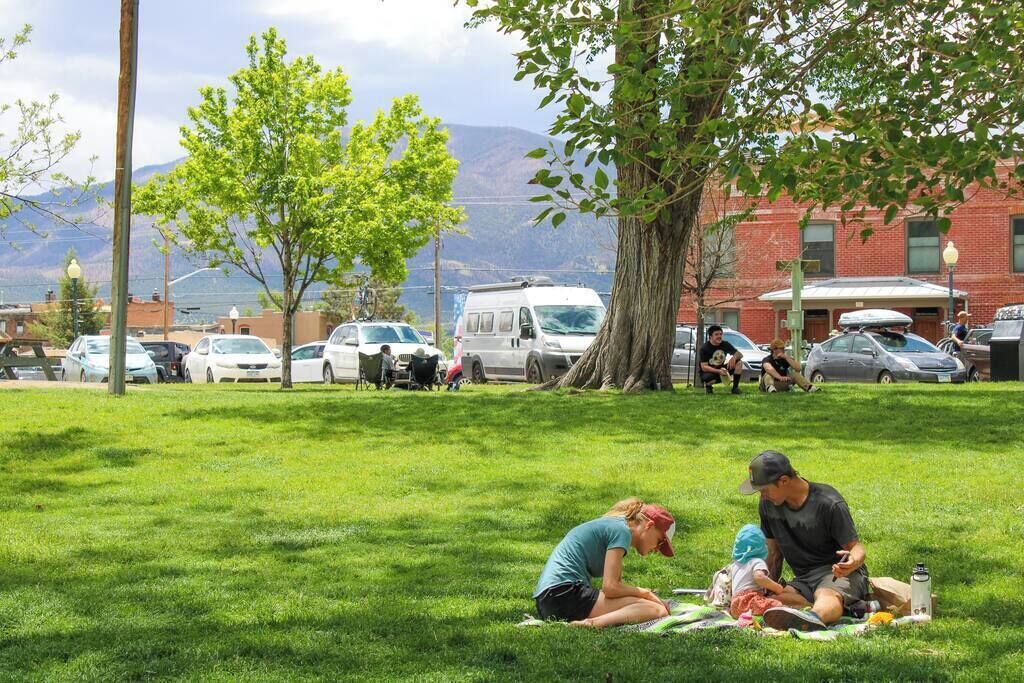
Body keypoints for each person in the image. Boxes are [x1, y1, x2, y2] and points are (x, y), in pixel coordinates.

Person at [738, 450, 868, 632]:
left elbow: (856, 548)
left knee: (826, 594)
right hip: (803, 579)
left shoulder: (828, 502)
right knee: (773, 601)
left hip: (836, 573)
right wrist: (766, 587)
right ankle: (809, 607)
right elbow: (773, 553)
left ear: (783, 480)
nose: (762, 496)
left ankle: (811, 619)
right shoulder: (768, 505)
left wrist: (852, 562)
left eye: (764, 490)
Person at [532, 498, 676, 628]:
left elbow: (616, 591)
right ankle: (592, 624)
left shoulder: (616, 527)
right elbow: (610, 588)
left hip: (550, 599)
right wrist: (646, 594)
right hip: (563, 596)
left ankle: (591, 622)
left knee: (651, 606)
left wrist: (644, 596)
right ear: (649, 525)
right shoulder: (622, 532)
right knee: (657, 610)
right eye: (660, 542)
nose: (658, 550)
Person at [726, 524, 785, 619]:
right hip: (749, 600)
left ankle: (746, 618)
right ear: (761, 546)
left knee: (762, 605)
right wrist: (777, 587)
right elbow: (759, 577)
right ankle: (787, 617)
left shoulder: (736, 565)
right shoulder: (757, 562)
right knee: (776, 605)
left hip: (734, 606)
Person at [699, 325, 743, 394]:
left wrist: (734, 357)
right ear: (710, 336)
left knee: (739, 362)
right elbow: (704, 367)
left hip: (722, 369)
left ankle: (735, 388)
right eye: (716, 334)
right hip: (709, 372)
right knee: (708, 378)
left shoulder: (725, 344)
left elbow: (740, 354)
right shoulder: (704, 348)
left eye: (720, 334)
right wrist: (718, 371)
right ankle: (708, 386)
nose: (719, 336)